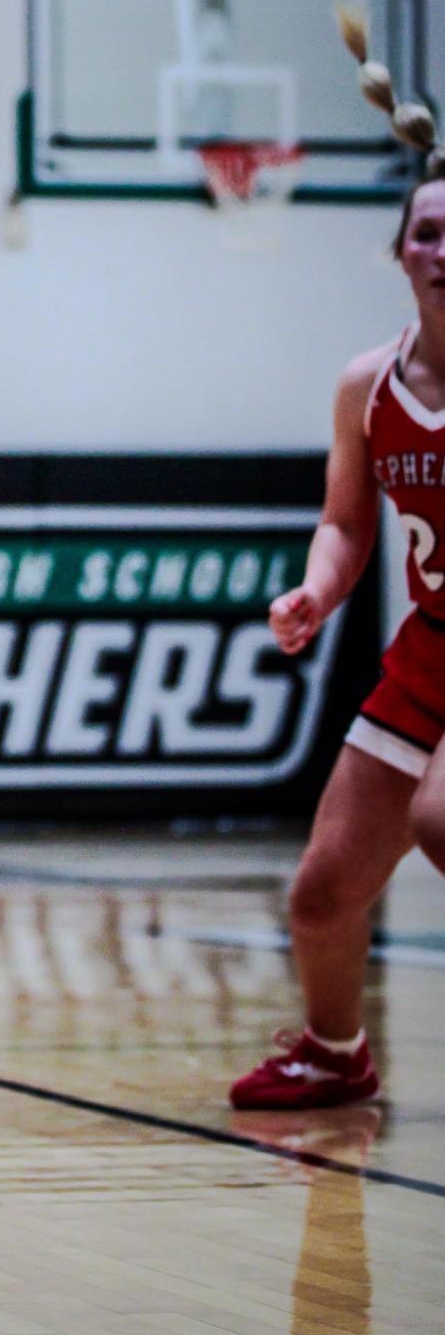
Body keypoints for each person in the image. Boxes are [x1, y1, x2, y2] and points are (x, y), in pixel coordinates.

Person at [232, 102, 445, 1110]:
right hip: (424, 652)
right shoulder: (368, 385)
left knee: (439, 819)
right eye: (427, 231)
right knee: (321, 891)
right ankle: (331, 1051)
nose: (441, 248)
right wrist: (316, 589)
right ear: (399, 252)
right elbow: (346, 524)